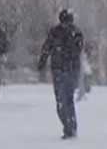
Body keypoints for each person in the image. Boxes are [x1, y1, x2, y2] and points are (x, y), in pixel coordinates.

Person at [38, 9, 83, 140]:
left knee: (65, 100)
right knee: (63, 101)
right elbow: (47, 47)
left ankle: (70, 127)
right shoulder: (56, 32)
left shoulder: (74, 33)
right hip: (61, 69)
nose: (65, 25)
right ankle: (70, 125)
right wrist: (42, 60)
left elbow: (77, 49)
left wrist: (59, 53)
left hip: (68, 69)